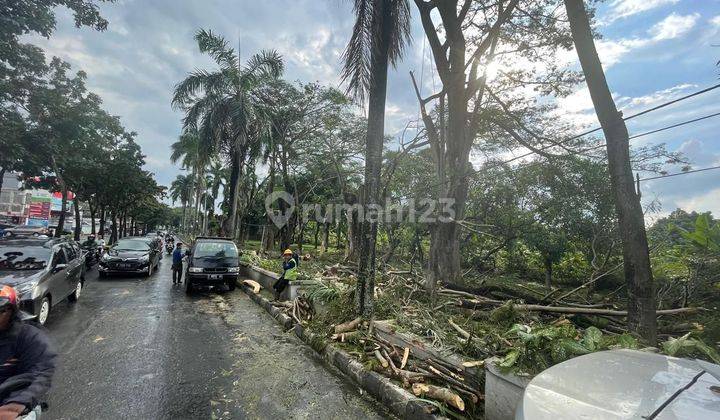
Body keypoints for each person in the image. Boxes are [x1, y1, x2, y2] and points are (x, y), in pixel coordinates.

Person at [0, 286, 56, 419]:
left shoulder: (29, 337)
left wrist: (14, 406)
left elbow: (41, 373)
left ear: (11, 312)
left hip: (17, 403)